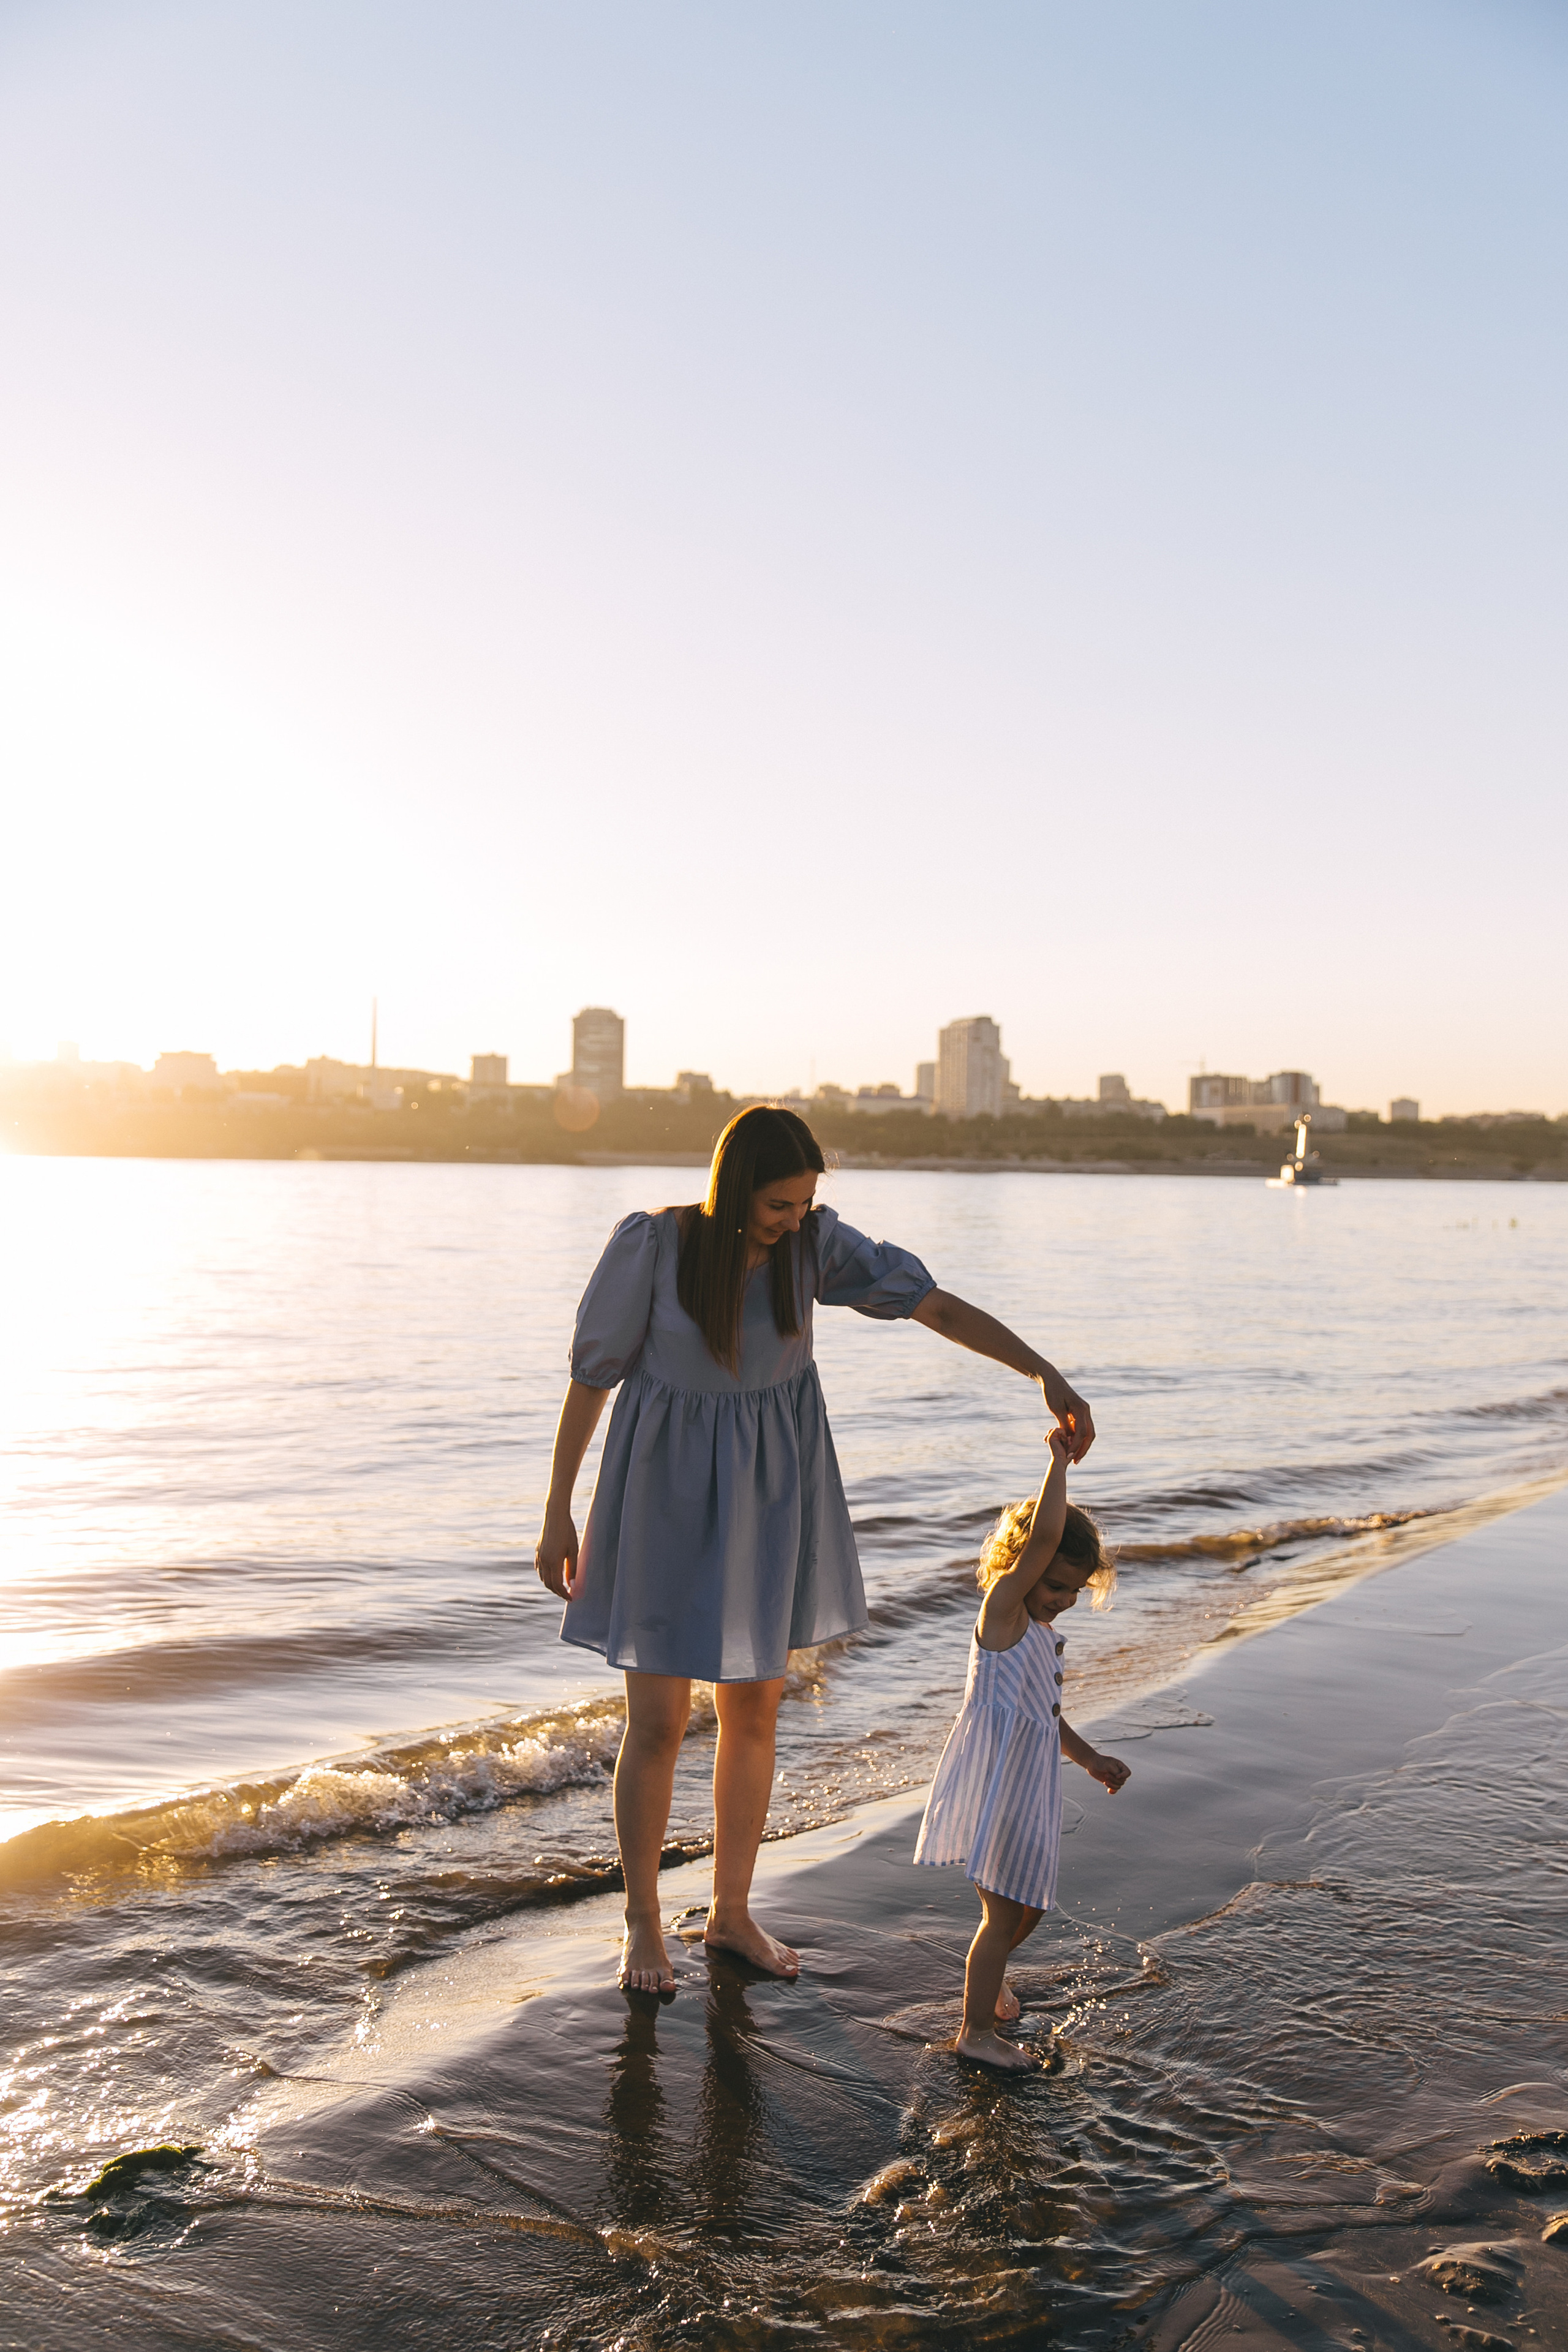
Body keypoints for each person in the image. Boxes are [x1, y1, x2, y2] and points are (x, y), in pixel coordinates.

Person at [534, 1104, 1095, 1996]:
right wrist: (559, 1510)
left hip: (769, 1496)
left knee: (754, 1713)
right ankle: (643, 1918)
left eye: (804, 1204)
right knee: (660, 1722)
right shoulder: (655, 1245)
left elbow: (934, 1305)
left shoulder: (816, 1249)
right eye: (778, 1206)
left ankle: (730, 1911)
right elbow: (591, 1379)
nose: (794, 1221)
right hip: (664, 1495)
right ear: (733, 1190)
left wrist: (1043, 1373)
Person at [913, 1427, 1131, 2070]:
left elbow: (1045, 1715)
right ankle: (975, 2032)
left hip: (1029, 1781)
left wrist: (1089, 1757)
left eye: (1072, 1591)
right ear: (1020, 1568)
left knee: (1025, 1905)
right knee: (1004, 1913)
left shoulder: (1037, 1630)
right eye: (1055, 1586)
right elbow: (1041, 1542)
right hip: (998, 1785)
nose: (1062, 1601)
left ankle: (991, 1978)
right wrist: (1058, 1465)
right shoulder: (1004, 1613)